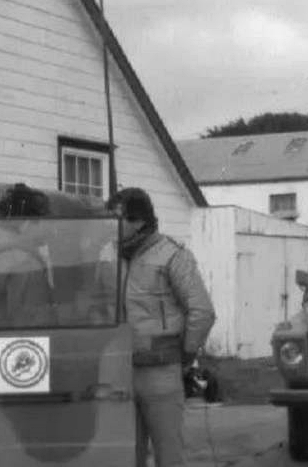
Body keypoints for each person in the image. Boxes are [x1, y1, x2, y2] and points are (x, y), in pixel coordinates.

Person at [107, 187, 216, 467]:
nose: (111, 227)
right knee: (124, 455)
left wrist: (187, 355)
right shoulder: (110, 256)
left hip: (161, 373)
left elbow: (202, 311)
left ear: (139, 221)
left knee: (168, 455)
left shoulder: (172, 256)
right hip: (118, 374)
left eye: (118, 220)